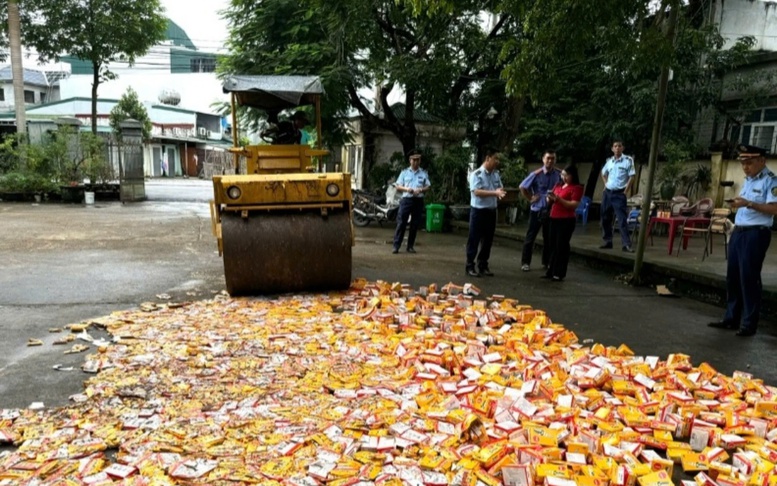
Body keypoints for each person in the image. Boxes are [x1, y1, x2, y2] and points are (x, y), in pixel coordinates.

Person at [708, 144, 777, 337]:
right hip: (739, 230)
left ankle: (749, 323)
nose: (745, 167)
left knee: (749, 277)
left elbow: (774, 208)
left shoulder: (771, 181)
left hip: (756, 233)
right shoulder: (748, 180)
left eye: (749, 163)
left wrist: (748, 203)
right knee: (733, 276)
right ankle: (731, 318)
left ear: (762, 161)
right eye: (743, 163)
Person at [519, 150, 562, 271]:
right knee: (531, 237)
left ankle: (546, 262)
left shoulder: (558, 174)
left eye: (553, 158)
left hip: (551, 209)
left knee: (549, 238)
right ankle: (525, 262)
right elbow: (522, 186)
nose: (550, 161)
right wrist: (530, 198)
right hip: (537, 209)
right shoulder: (536, 174)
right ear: (543, 159)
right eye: (548, 158)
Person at [466, 147, 506, 277]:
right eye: (495, 158)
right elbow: (477, 192)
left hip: (491, 211)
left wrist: (500, 191)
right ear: (488, 158)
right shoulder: (476, 174)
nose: (497, 161)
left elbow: (499, 186)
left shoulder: (496, 174)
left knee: (488, 240)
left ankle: (483, 265)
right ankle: (470, 266)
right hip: (478, 212)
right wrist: (495, 193)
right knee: (474, 239)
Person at [543, 165, 584, 281]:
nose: (564, 178)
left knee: (561, 245)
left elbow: (573, 205)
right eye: (563, 175)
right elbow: (550, 200)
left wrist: (559, 199)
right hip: (554, 217)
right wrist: (550, 198)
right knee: (552, 245)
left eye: (567, 175)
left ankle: (559, 272)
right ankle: (551, 270)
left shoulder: (576, 188)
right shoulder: (558, 185)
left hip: (566, 219)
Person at [600, 140, 636, 252]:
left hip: (619, 193)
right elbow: (603, 173)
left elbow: (632, 176)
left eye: (619, 146)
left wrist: (626, 191)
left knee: (622, 219)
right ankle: (608, 241)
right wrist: (606, 184)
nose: (617, 148)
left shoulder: (628, 160)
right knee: (605, 217)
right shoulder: (609, 161)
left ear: (622, 148)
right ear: (612, 149)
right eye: (615, 146)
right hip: (608, 193)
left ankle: (626, 244)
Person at [392, 150, 431, 254]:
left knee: (414, 224)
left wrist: (421, 190)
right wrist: (406, 189)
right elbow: (398, 185)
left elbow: (428, 186)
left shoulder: (423, 173)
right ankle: (396, 246)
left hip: (418, 200)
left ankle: (410, 246)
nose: (416, 162)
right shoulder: (404, 172)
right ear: (410, 161)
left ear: (420, 161)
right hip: (406, 200)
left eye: (418, 160)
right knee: (401, 223)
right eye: (414, 160)